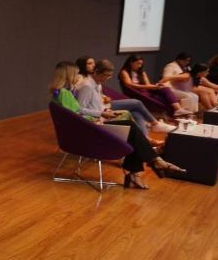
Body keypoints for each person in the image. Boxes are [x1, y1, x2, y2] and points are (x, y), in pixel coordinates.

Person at [50, 61, 185, 189]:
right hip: (89, 131)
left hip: (91, 126)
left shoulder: (65, 92)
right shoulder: (65, 93)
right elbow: (76, 115)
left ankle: (146, 166)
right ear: (69, 75)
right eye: (77, 74)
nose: (79, 77)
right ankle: (152, 162)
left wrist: (101, 113)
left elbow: (77, 112)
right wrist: (100, 116)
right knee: (131, 129)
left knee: (132, 130)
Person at [76, 55, 176, 135]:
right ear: (97, 72)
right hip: (97, 120)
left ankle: (146, 139)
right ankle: (152, 128)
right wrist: (102, 113)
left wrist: (106, 109)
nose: (107, 78)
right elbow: (79, 109)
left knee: (136, 114)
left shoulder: (97, 84)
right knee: (135, 107)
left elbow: (97, 104)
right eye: (106, 75)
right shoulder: (87, 86)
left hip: (104, 113)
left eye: (109, 76)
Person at [119, 55, 191, 118]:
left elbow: (148, 84)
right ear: (131, 62)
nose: (140, 66)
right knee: (165, 99)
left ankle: (178, 110)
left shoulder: (142, 72)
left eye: (141, 64)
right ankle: (178, 112)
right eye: (138, 63)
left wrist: (156, 86)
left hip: (146, 90)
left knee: (165, 89)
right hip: (137, 92)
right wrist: (149, 87)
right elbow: (130, 85)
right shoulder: (124, 72)